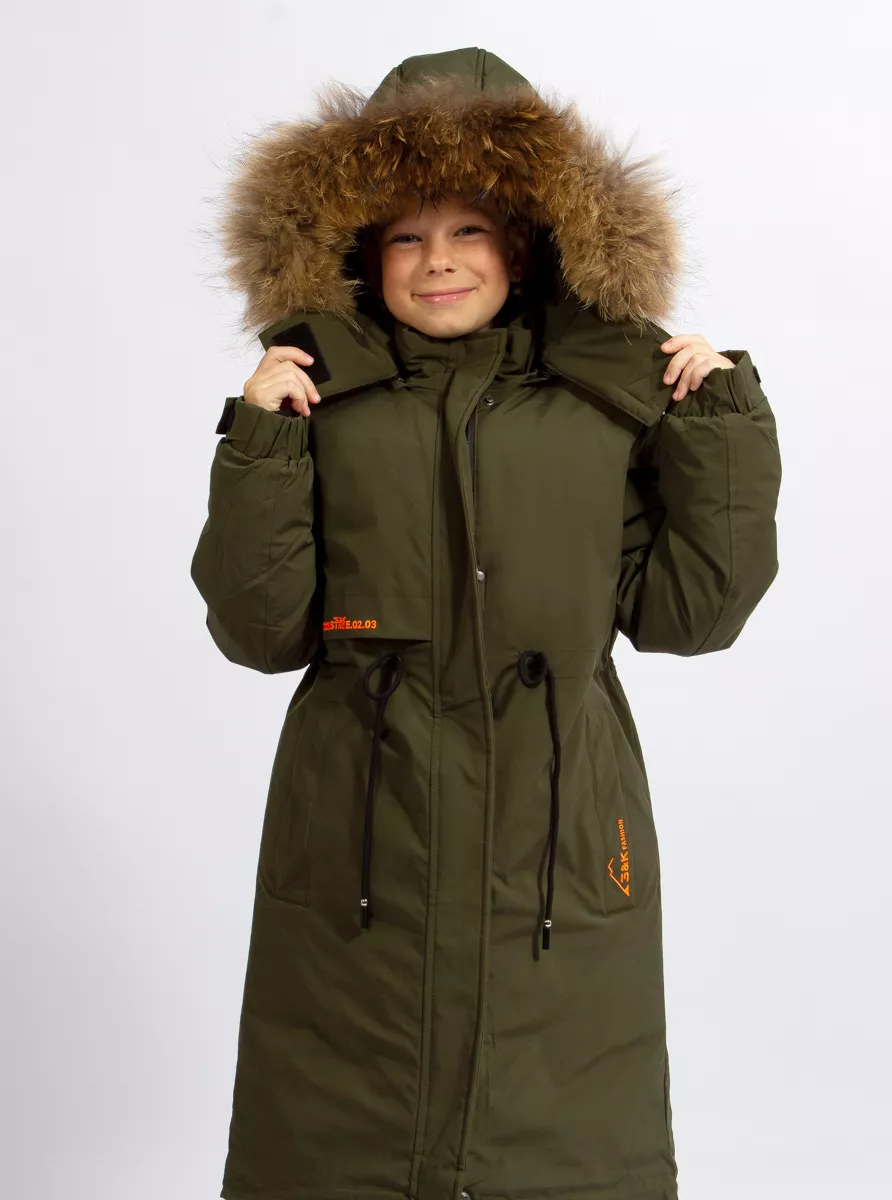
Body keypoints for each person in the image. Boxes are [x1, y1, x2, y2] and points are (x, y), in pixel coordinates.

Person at [191, 46, 782, 1200]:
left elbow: (693, 615)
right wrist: (260, 445)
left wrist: (720, 426)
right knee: (336, 1152)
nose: (438, 261)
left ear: (525, 241)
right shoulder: (318, 399)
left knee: (563, 1149)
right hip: (363, 839)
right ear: (359, 251)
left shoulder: (601, 404)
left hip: (559, 842)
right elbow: (258, 630)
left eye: (468, 230)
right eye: (406, 236)